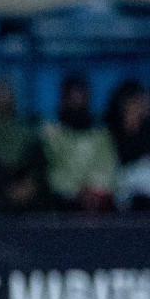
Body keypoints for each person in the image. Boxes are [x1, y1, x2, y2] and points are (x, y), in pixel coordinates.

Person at [39, 74, 116, 212]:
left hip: (97, 204)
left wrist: (92, 191)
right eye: (72, 98)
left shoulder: (101, 134)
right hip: (62, 203)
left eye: (81, 98)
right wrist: (76, 193)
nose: (77, 103)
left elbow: (108, 170)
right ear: (63, 100)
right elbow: (53, 174)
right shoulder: (51, 133)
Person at [105, 78, 150, 211]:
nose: (139, 108)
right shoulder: (108, 135)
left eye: (142, 103)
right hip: (120, 199)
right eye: (134, 103)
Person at [0, 78, 46, 215]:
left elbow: (37, 164)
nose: (3, 98)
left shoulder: (25, 131)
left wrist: (28, 185)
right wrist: (6, 190)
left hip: (28, 197)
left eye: (6, 92)